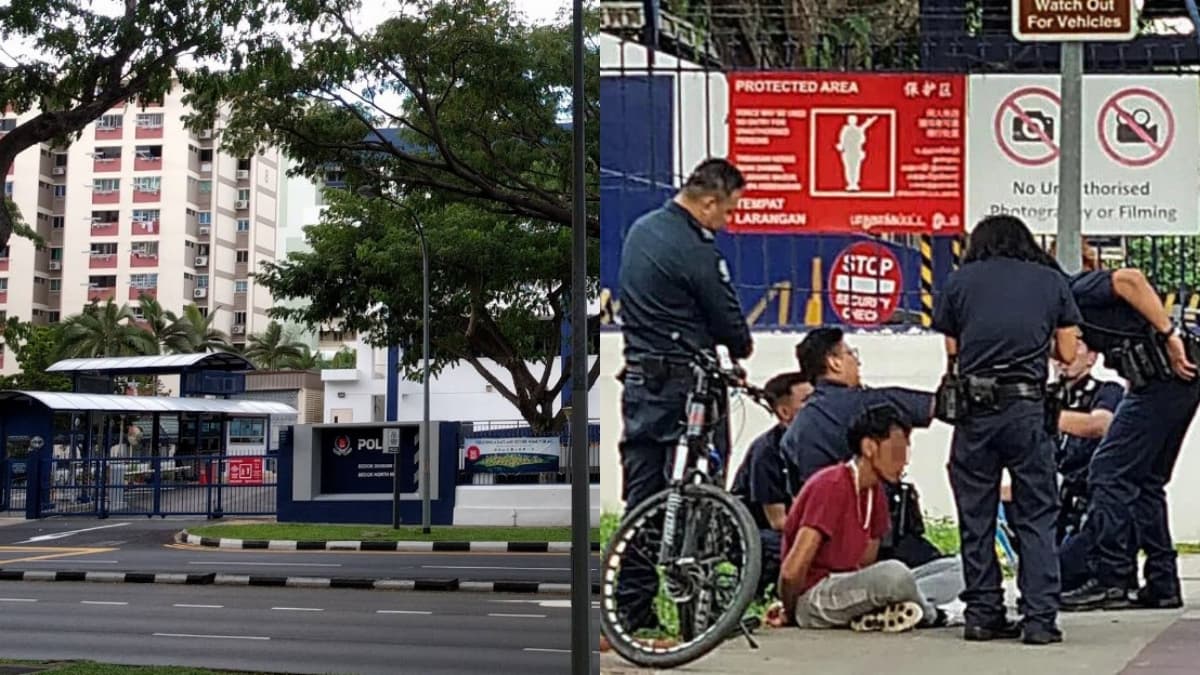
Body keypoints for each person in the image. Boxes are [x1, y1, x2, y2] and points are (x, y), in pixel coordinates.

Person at [614, 157, 755, 630]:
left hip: (639, 381)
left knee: (642, 498)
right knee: (705, 493)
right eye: (729, 211)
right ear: (710, 201)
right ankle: (705, 610)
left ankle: (633, 613)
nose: (728, 221)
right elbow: (732, 329)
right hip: (687, 387)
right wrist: (739, 346)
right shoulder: (695, 249)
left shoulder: (642, 230)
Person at [932, 214, 1081, 645]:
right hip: (1027, 408)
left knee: (975, 513)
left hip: (975, 413)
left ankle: (982, 614)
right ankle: (1039, 620)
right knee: (1036, 514)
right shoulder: (1049, 281)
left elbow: (953, 350)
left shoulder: (960, 281)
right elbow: (1068, 352)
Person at [1059, 252, 1199, 612]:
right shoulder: (1074, 303)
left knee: (1108, 473)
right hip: (1170, 383)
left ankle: (1112, 580)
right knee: (1147, 482)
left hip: (1161, 380)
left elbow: (1131, 278)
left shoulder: (1077, 288)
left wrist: (1169, 335)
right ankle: (1162, 582)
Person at [775, 406, 955, 632]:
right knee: (895, 574)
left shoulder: (875, 493)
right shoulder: (832, 485)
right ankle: (933, 614)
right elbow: (792, 571)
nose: (905, 462)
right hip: (814, 597)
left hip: (848, 589)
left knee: (959, 568)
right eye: (897, 452)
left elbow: (864, 565)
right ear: (869, 447)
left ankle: (884, 610)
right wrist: (791, 613)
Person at [729, 371, 813, 598]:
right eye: (807, 402)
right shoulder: (766, 452)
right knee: (784, 545)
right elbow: (778, 521)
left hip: (797, 526)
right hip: (753, 532)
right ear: (784, 412)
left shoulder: (815, 446)